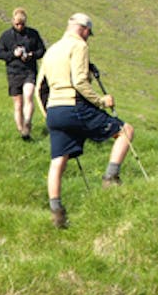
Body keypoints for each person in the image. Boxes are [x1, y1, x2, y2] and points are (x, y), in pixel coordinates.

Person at [34, 13, 133, 228]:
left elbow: (39, 87)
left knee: (58, 160)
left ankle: (56, 212)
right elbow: (79, 81)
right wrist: (101, 101)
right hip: (74, 104)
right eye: (89, 34)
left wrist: (48, 115)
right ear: (84, 30)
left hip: (54, 110)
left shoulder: (51, 50)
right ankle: (110, 178)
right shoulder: (79, 47)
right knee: (125, 131)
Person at [0, 7, 46, 140]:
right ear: (12, 21)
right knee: (18, 104)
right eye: (17, 24)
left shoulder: (33, 34)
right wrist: (13, 54)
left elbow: (42, 50)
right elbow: (0, 53)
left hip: (29, 70)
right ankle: (22, 131)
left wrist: (31, 55)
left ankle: (28, 121)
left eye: (22, 24)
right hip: (13, 72)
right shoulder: (6, 36)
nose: (19, 26)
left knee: (29, 95)